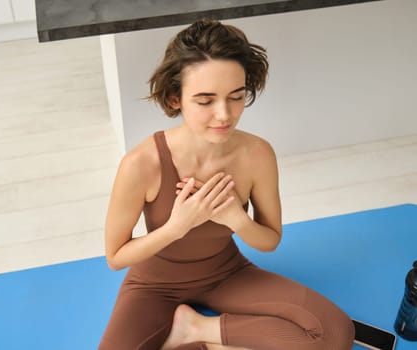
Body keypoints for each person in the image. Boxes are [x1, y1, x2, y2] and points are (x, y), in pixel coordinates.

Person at [98, 19, 355, 350]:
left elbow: (270, 239)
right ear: (175, 99)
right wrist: (177, 227)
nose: (224, 115)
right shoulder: (141, 164)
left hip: (227, 274)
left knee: (335, 333)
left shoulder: (257, 154)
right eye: (206, 101)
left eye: (236, 96)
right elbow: (116, 257)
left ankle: (198, 330)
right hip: (154, 284)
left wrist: (236, 219)